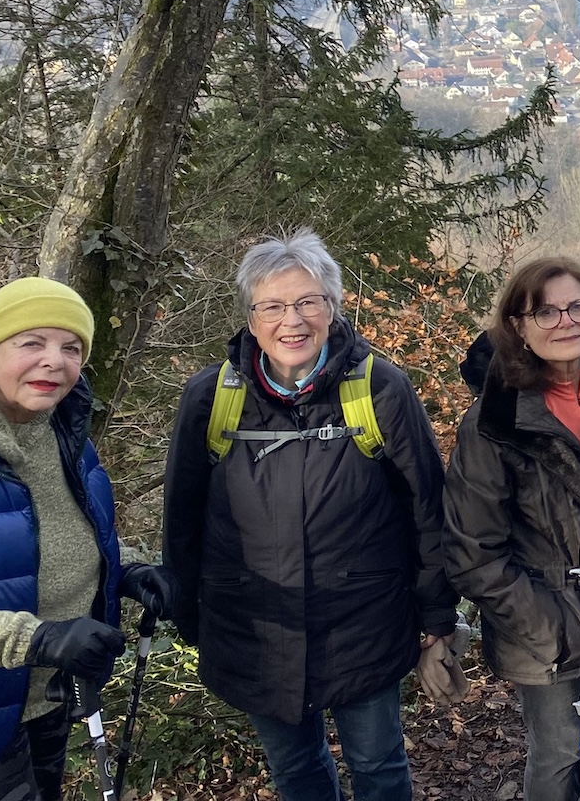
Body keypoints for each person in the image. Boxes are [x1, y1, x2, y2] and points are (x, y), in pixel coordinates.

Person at [164, 230, 458, 801]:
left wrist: (436, 617)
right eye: (272, 306)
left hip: (364, 622)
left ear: (333, 306)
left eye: (307, 302)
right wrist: (188, 612)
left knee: (377, 764)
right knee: (295, 769)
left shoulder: (379, 388)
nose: (291, 321)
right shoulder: (211, 397)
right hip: (254, 625)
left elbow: (427, 510)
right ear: (251, 320)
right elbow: (183, 518)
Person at [0, 278, 178, 801]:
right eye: (32, 342)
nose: (55, 361)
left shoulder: (60, 431)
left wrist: (128, 569)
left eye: (72, 348)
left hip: (48, 693)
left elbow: (68, 534)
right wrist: (36, 639)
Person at [444, 258, 580, 801]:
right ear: (518, 327)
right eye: (546, 312)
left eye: (577, 306)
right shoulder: (493, 421)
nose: (566, 321)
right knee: (561, 757)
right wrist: (551, 627)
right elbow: (473, 553)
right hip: (546, 630)